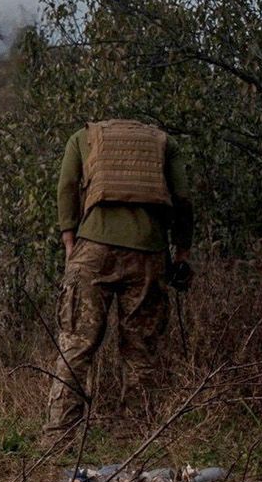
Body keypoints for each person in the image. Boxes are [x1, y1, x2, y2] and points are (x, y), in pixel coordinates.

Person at [42, 118, 194, 444]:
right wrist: (181, 252)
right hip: (149, 253)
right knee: (142, 351)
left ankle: (58, 438)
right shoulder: (166, 142)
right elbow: (182, 200)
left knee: (76, 345)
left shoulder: (83, 137)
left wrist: (70, 240)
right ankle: (135, 438)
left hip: (92, 251)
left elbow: (67, 186)